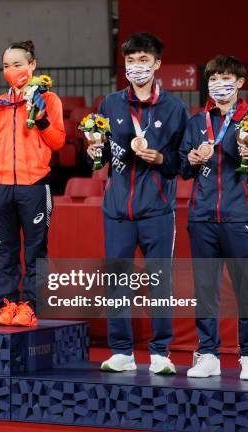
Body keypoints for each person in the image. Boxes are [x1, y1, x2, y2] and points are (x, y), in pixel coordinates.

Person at [86, 33, 189, 374]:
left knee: (160, 281)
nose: (137, 67)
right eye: (131, 61)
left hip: (157, 208)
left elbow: (183, 163)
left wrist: (160, 157)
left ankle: (160, 352)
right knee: (117, 282)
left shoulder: (174, 108)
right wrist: (94, 153)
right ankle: (122, 352)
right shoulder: (110, 104)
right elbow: (101, 153)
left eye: (144, 60)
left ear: (157, 64)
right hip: (117, 210)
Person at [181, 56, 248, 381]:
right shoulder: (197, 123)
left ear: (239, 82)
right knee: (205, 288)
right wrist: (192, 158)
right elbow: (181, 167)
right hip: (202, 217)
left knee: (244, 288)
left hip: (240, 216)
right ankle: (207, 353)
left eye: (225, 78)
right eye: (213, 79)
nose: (218, 84)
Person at [0, 41, 65, 327]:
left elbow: (58, 141)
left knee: (36, 251)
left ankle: (30, 307)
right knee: (6, 252)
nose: (11, 70)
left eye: (17, 64)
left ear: (32, 65)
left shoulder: (49, 100)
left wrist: (39, 119)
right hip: (0, 185)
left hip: (34, 185)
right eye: (6, 66)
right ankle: (7, 305)